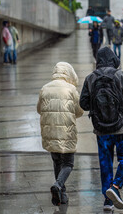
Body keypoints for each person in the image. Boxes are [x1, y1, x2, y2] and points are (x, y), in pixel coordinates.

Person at [79, 47, 123, 212]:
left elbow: (83, 103)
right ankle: (116, 185)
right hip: (122, 128)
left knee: (105, 163)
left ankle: (108, 201)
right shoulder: (121, 76)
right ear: (114, 59)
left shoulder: (91, 78)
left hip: (101, 130)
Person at [37, 62, 84, 206]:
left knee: (57, 161)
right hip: (66, 131)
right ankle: (58, 185)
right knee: (68, 163)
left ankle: (62, 196)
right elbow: (79, 111)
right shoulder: (71, 89)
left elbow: (39, 109)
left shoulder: (45, 88)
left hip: (50, 130)